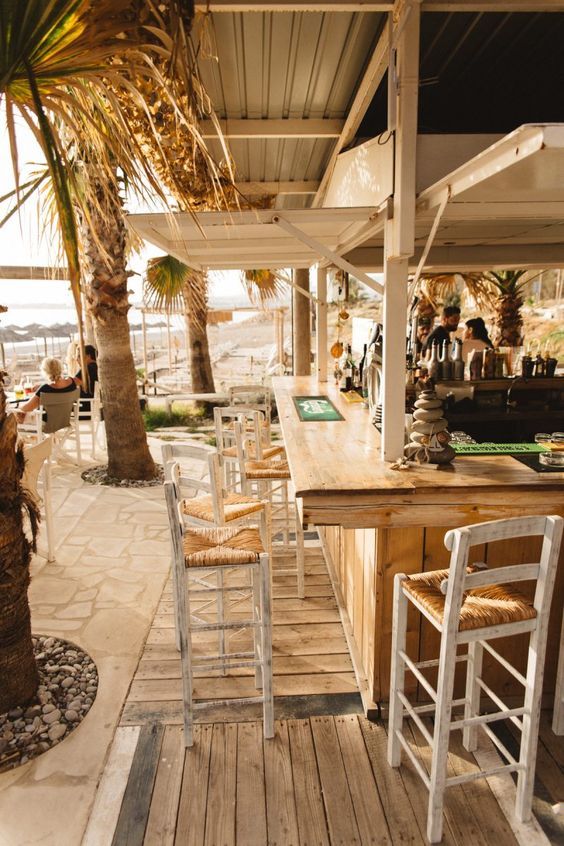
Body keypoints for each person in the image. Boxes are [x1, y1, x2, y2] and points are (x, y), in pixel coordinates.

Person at [16, 357, 76, 422]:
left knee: (20, 415)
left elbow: (27, 408)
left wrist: (18, 407)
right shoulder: (72, 382)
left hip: (48, 424)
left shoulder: (45, 389)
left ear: (45, 371)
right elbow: (59, 388)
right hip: (66, 419)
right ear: (61, 368)